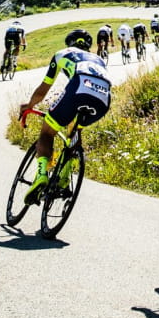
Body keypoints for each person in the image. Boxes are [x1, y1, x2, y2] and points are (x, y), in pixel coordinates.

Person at [16, 29, 112, 204]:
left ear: (70, 43)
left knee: (47, 132)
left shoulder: (62, 53)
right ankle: (63, 178)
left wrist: (29, 106)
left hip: (79, 87)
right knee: (74, 133)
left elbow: (43, 90)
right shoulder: (99, 59)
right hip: (104, 98)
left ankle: (42, 175)